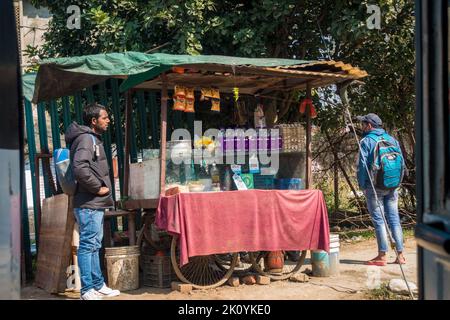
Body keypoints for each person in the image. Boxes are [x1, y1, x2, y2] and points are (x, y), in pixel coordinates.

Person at [65, 103, 120, 300]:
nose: (108, 121)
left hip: (93, 203)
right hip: (88, 202)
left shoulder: (92, 139)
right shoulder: (87, 139)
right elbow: (80, 167)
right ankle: (87, 290)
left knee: (95, 244)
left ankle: (98, 285)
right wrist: (97, 188)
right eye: (104, 117)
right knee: (88, 245)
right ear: (94, 121)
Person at [356, 113, 406, 266]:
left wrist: (363, 185)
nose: (362, 126)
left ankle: (382, 255)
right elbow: (402, 162)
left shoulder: (366, 141)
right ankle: (401, 255)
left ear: (369, 126)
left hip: (374, 186)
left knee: (379, 220)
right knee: (394, 219)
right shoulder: (392, 139)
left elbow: (362, 166)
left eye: (363, 123)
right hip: (392, 185)